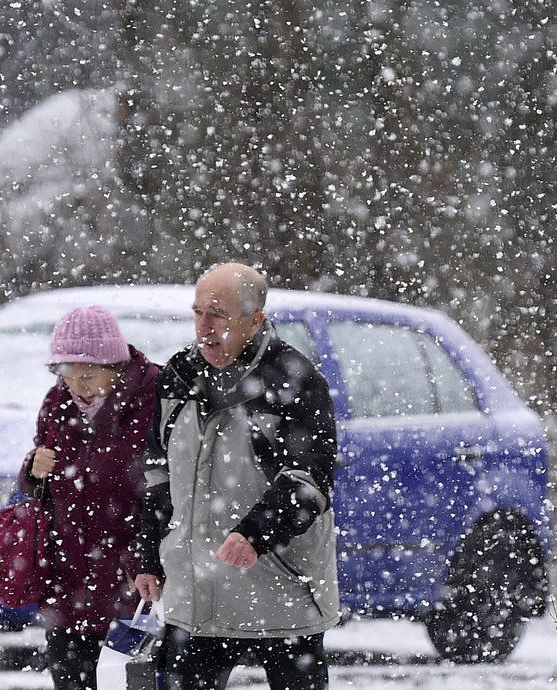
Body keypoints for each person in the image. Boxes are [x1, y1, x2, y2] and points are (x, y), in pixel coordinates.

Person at [135, 263, 339, 690]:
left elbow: (309, 481)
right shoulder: (178, 377)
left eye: (218, 314)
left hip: (280, 587)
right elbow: (157, 474)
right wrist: (148, 557)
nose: (204, 327)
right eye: (197, 313)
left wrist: (256, 534)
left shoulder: (294, 380)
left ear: (255, 320)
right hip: (195, 593)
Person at [19, 305, 160, 690]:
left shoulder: (153, 400)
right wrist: (34, 469)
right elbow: (44, 485)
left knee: (128, 679)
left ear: (115, 366)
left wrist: (145, 555)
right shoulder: (57, 402)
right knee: (70, 679)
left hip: (130, 577)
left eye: (88, 375)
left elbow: (169, 489)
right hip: (68, 576)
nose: (78, 386)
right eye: (68, 375)